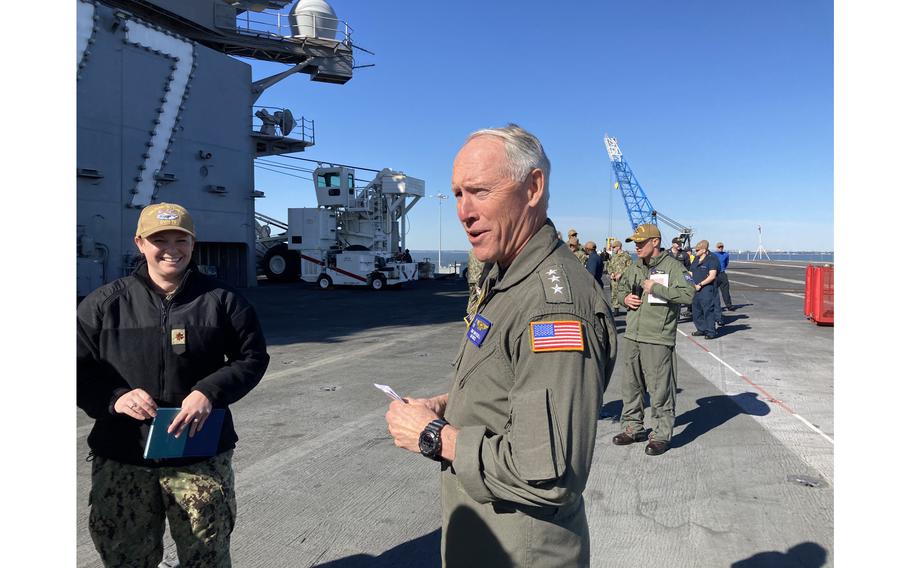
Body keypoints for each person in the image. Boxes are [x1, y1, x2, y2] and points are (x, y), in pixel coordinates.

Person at [385, 124, 616, 566]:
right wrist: (447, 403)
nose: (463, 211)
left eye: (479, 191)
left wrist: (433, 437)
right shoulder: (508, 278)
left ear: (533, 187)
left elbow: (548, 476)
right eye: (457, 194)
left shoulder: (552, 309)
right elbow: (512, 388)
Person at [77, 202, 270, 568]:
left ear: (193, 243)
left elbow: (252, 358)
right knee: (125, 556)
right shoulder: (105, 304)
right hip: (123, 455)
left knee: (206, 555)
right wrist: (114, 398)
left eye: (180, 239)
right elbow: (74, 368)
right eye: (159, 239)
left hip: (199, 455)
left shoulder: (223, 301)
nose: (171, 248)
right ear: (140, 243)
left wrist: (208, 392)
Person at [615, 224, 695, 456]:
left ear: (655, 242)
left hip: (657, 338)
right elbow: (620, 288)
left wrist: (657, 289)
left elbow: (689, 294)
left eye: (641, 242)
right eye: (635, 243)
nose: (637, 246)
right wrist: (625, 298)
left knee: (660, 389)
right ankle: (633, 428)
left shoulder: (673, 267)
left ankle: (661, 435)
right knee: (630, 386)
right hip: (632, 335)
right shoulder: (635, 266)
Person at [690, 239, 720, 339]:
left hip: (706, 288)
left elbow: (712, 276)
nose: (695, 252)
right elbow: (691, 272)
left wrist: (701, 284)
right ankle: (701, 329)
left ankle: (711, 331)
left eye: (697, 250)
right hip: (695, 288)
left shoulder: (711, 260)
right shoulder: (695, 259)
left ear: (703, 250)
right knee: (696, 310)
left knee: (708, 310)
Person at [607, 239, 632, 315]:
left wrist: (621, 273)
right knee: (614, 294)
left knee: (625, 293)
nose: (613, 249)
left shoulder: (627, 256)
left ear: (619, 247)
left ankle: (629, 309)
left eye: (614, 247)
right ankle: (616, 309)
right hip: (614, 280)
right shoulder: (613, 257)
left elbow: (630, 267)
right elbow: (609, 266)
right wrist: (611, 273)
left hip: (623, 280)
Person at [713, 241, 735, 311]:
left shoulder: (726, 254)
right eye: (719, 247)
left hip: (722, 274)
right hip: (715, 274)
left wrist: (722, 269)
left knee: (725, 291)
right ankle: (714, 306)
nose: (720, 248)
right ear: (716, 247)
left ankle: (729, 305)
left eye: (722, 247)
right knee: (714, 291)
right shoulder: (713, 255)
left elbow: (726, 263)